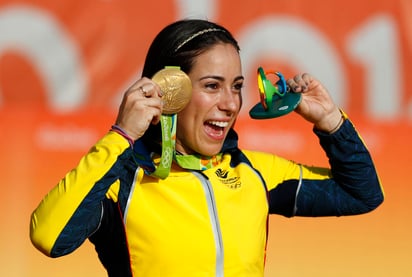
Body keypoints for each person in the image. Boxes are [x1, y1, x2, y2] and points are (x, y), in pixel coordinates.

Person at [30, 19, 384, 276]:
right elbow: (50, 237)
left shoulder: (256, 172)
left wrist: (332, 123)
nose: (231, 104)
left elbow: (361, 194)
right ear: (169, 90)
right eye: (213, 86)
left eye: (237, 86)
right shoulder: (122, 181)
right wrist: (121, 137)